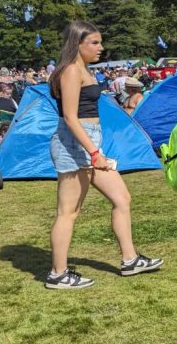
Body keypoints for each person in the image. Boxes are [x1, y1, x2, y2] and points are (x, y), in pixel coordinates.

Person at [45, 21, 162, 290]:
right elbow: (71, 119)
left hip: (87, 142)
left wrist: (96, 148)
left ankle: (130, 259)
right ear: (77, 44)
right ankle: (58, 274)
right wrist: (94, 151)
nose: (101, 47)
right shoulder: (72, 71)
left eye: (100, 42)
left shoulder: (81, 69)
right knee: (68, 212)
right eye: (94, 43)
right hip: (76, 144)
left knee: (122, 198)